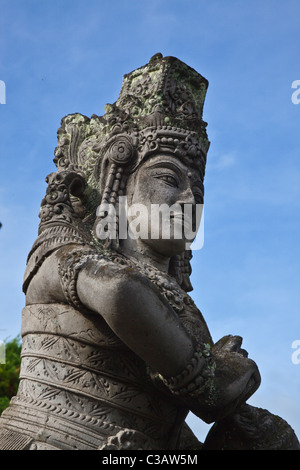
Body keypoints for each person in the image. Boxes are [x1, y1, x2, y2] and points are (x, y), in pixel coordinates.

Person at [0, 54, 297, 450]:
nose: (189, 199)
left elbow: (164, 427)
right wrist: (210, 380)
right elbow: (119, 293)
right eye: (168, 179)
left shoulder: (186, 315)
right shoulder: (66, 255)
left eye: (199, 191)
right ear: (119, 182)